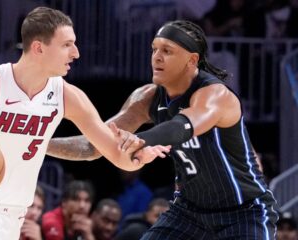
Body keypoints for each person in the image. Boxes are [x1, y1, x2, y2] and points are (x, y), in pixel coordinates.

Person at [0, 7, 169, 239]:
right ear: (38, 47)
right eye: (67, 45)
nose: (76, 53)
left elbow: (111, 152)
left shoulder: (68, 95)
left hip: (14, 217)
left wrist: (137, 155)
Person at [47, 20, 278, 239]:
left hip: (244, 211)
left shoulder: (215, 95)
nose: (156, 57)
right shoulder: (146, 97)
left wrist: (137, 141)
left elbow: (181, 127)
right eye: (154, 49)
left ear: (192, 60)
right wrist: (38, 143)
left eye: (167, 51)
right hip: (189, 211)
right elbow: (93, 145)